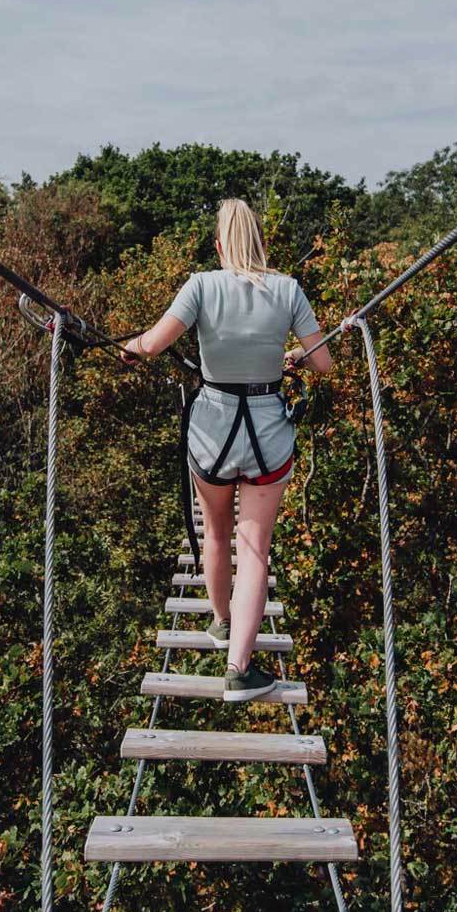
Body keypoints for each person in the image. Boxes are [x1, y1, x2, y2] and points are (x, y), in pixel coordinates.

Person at [118, 199, 338, 701]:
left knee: (216, 532)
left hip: (213, 434)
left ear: (219, 246)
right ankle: (240, 667)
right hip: (267, 437)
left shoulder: (201, 285)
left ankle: (221, 621)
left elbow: (151, 345)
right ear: (261, 243)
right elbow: (322, 363)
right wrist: (294, 355)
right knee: (254, 546)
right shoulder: (287, 289)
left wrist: (128, 347)